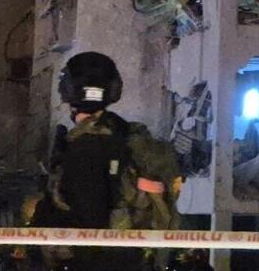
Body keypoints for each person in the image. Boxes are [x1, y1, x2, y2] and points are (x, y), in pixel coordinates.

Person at [32, 51, 181, 271]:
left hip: (94, 261)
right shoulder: (130, 138)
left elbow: (89, 220)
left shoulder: (82, 148)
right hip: (135, 259)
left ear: (67, 91)